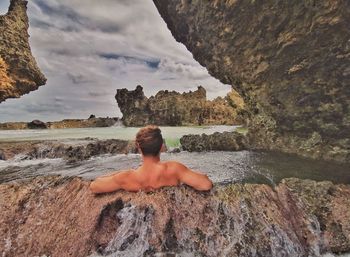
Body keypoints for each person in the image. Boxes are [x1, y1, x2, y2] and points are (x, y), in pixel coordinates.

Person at [90, 125, 213, 193]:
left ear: (138, 147)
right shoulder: (174, 169)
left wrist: (117, 173)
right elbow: (206, 184)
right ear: (162, 147)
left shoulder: (127, 177)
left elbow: (95, 186)